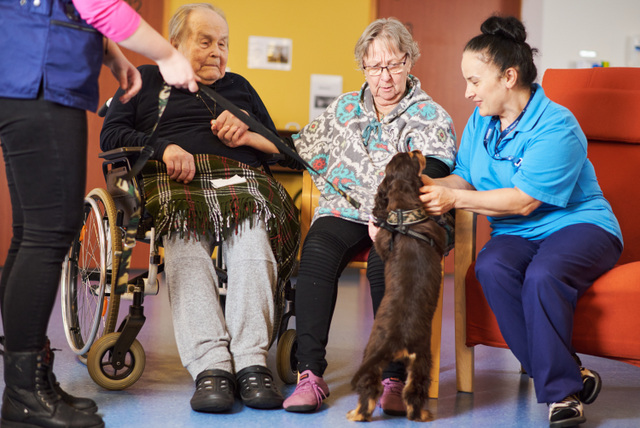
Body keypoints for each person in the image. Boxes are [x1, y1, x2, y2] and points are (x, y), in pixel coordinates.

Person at [218, 18, 456, 414]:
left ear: (410, 61)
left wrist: (389, 215)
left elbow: (431, 170)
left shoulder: (429, 114)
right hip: (344, 208)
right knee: (317, 252)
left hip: (402, 214)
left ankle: (393, 377)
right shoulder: (345, 108)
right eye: (374, 66)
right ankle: (309, 374)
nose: (384, 77)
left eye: (394, 64)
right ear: (362, 66)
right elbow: (296, 149)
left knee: (386, 264)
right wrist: (248, 136)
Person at [0, 0, 197, 427]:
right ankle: (23, 392)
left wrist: (110, 53)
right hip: (40, 79)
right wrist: (167, 55)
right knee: (49, 233)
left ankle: (28, 382)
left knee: (31, 232)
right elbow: (99, 4)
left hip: (24, 75)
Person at [419, 16, 622, 428]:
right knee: (491, 268)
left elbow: (525, 201)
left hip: (580, 225)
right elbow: (465, 175)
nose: (468, 92)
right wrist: (430, 186)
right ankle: (570, 372)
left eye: (475, 81)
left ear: (509, 77)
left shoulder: (558, 126)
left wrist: (453, 198)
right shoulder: (480, 122)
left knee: (543, 275)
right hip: (515, 233)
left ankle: (562, 395)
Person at [100, 3, 300, 414]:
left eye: (223, 43)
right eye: (205, 41)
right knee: (184, 242)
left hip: (241, 182)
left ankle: (251, 363)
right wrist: (163, 148)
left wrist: (248, 134)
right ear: (174, 43)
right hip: (175, 183)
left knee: (253, 237)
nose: (217, 52)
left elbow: (288, 153)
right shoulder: (144, 78)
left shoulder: (239, 87)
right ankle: (211, 366)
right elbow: (111, 135)